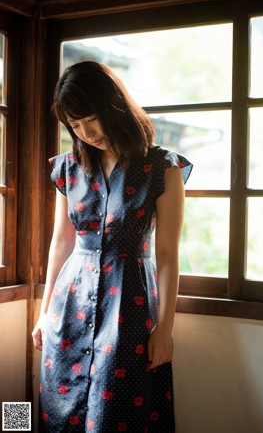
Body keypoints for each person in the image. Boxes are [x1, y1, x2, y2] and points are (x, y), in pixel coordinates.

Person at [32, 61, 193, 432]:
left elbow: (168, 255)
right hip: (69, 306)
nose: (86, 132)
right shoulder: (67, 168)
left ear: (113, 107)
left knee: (118, 414)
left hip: (129, 307)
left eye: (91, 119)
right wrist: (43, 313)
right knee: (57, 412)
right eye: (74, 125)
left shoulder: (161, 167)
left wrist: (165, 327)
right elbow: (61, 245)